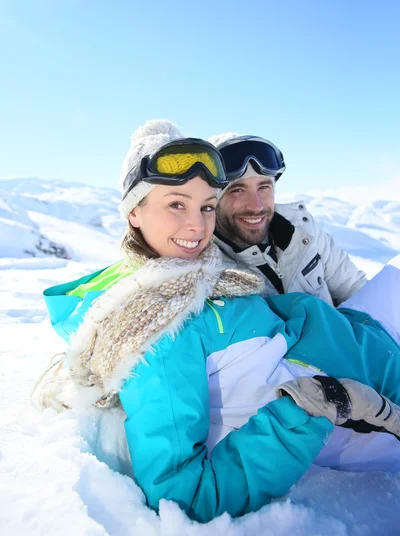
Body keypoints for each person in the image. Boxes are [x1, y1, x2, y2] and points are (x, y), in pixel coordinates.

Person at [37, 120, 400, 525]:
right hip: (371, 387)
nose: (198, 226)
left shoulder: (202, 276)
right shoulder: (155, 329)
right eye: (176, 204)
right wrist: (307, 409)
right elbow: (183, 494)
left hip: (362, 334)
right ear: (134, 212)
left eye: (206, 206)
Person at [208, 133, 366, 305]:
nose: (256, 206)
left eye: (264, 187)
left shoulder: (303, 229)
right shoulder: (206, 268)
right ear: (213, 199)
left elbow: (359, 292)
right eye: (237, 190)